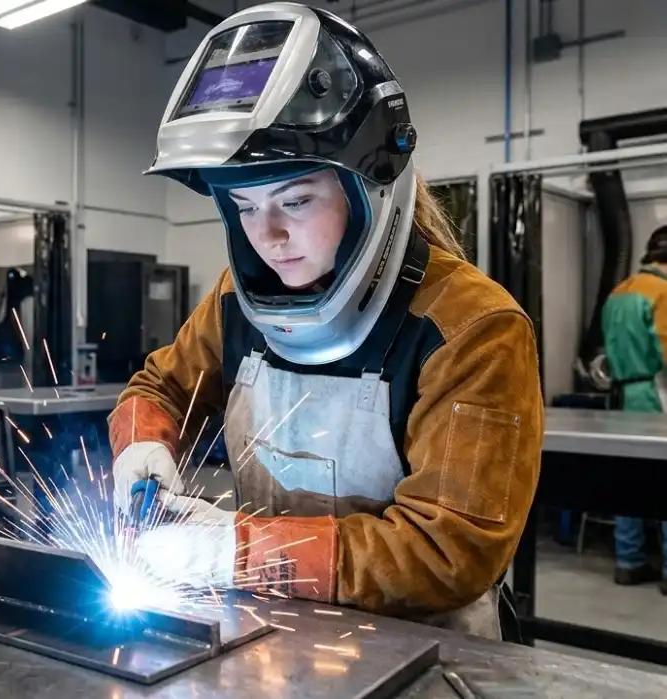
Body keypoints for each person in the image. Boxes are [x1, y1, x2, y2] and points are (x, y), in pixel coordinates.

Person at [109, 3, 544, 639]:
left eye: (296, 200)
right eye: (244, 206)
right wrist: (145, 441)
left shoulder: (473, 329)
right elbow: (160, 388)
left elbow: (448, 552)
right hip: (265, 630)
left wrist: (234, 551)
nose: (269, 236)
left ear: (370, 186)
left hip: (424, 648)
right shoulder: (238, 300)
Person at [602, 227, 667, 591]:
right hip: (656, 392)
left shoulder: (619, 292)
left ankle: (629, 561)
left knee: (627, 478)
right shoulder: (662, 292)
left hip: (622, 395)